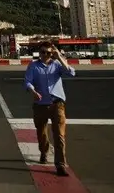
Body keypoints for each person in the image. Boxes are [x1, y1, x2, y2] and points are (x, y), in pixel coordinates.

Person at [23, 41, 76, 177]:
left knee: (59, 135)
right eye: (43, 52)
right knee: (41, 132)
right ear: (39, 53)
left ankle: (60, 165)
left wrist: (60, 57)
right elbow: (27, 81)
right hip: (40, 104)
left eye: (48, 53)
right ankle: (43, 151)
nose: (46, 55)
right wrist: (33, 91)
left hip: (57, 104)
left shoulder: (57, 64)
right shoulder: (33, 65)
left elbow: (71, 73)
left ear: (52, 53)